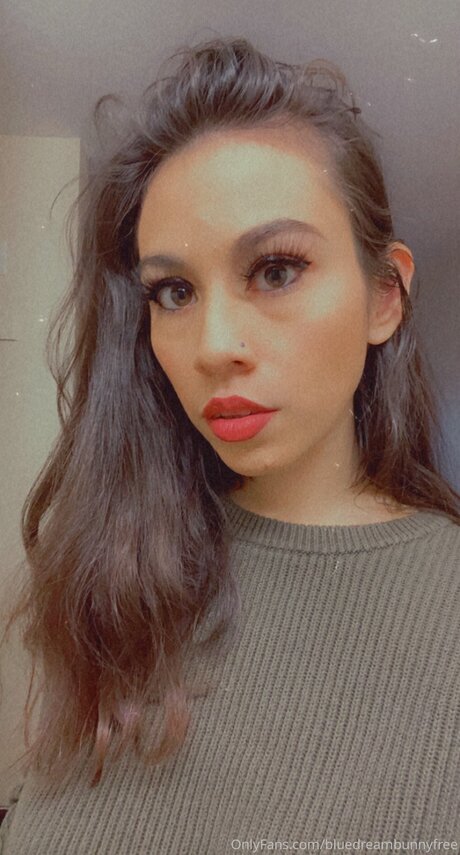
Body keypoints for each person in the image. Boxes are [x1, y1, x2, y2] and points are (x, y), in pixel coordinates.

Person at [1, 36, 459, 854]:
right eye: (174, 291)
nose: (213, 345)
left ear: (385, 296)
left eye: (276, 270)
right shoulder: (100, 577)